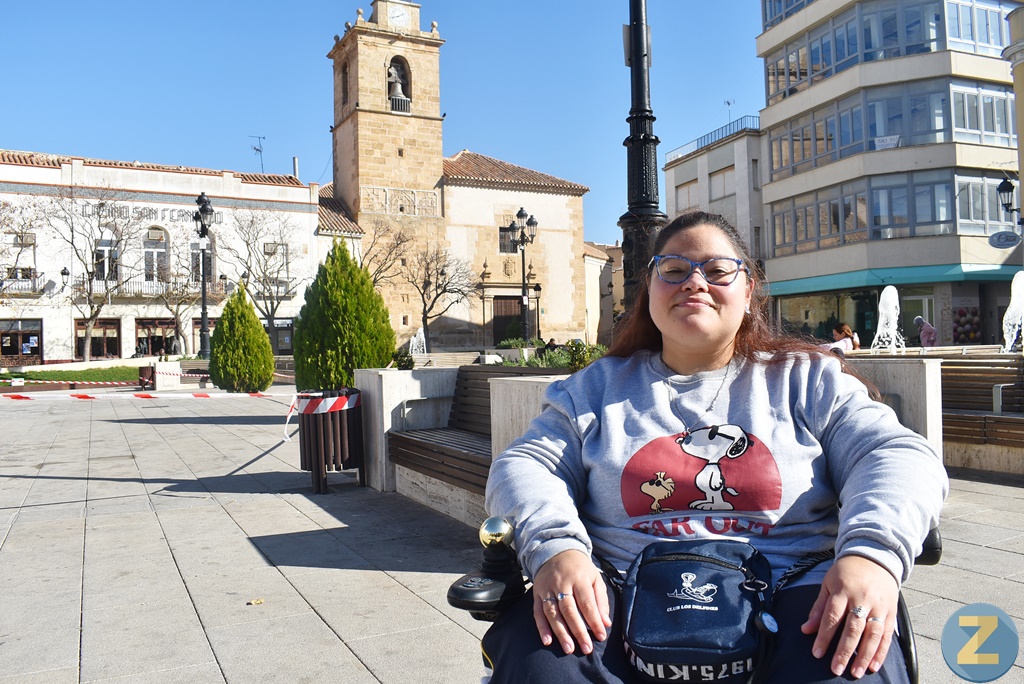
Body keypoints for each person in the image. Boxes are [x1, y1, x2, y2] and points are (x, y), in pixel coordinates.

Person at [482, 211, 947, 683]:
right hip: (617, 595)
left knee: (853, 660)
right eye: (674, 270)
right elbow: (525, 465)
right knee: (540, 661)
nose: (694, 282)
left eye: (718, 270)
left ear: (748, 290)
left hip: (791, 593)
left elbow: (894, 453)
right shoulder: (592, 392)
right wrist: (557, 550)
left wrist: (871, 555)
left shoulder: (807, 380)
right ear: (651, 290)